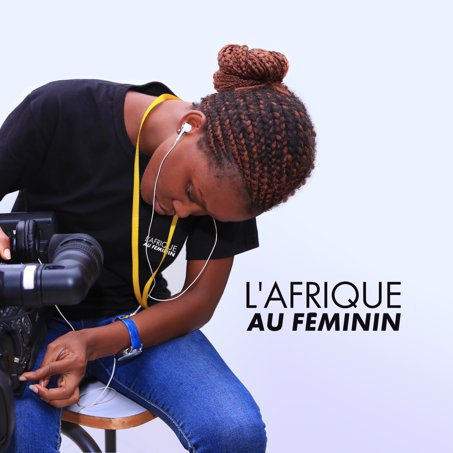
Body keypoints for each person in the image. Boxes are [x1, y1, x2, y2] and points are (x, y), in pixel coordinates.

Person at [0, 44, 316, 452]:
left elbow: (199, 301)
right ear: (190, 125)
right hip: (29, 317)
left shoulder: (234, 182)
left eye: (202, 211)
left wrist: (96, 341)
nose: (184, 211)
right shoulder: (61, 109)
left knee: (234, 431)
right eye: (191, 192)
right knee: (18, 438)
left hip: (137, 322)